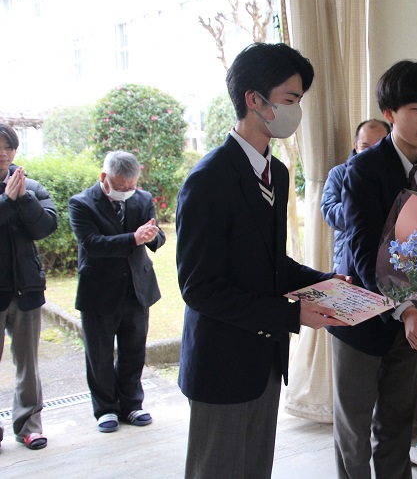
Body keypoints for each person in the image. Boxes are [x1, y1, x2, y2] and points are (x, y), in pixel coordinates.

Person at [175, 42, 347, 479]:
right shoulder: (208, 180)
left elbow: (271, 263)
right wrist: (291, 314)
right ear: (254, 100)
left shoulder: (278, 173)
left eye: (299, 100)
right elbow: (200, 289)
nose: (296, 111)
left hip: (265, 360)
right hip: (222, 363)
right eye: (290, 99)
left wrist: (328, 282)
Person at [329, 60, 417, 479]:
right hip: (360, 313)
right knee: (354, 428)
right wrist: (405, 306)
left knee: (397, 420)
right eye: (416, 109)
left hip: (413, 317)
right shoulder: (362, 170)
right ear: (390, 113)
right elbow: (362, 251)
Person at [68, 150, 165, 433]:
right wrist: (133, 238)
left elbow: (157, 236)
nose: (126, 192)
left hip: (136, 288)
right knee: (99, 354)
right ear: (104, 178)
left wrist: (152, 236)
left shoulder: (142, 199)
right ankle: (105, 408)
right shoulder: (81, 203)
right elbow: (93, 244)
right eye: (121, 187)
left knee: (134, 350)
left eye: (131, 186)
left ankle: (132, 404)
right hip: (98, 290)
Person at [0, 124, 57, 450]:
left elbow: (46, 226)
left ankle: (29, 426)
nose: (2, 154)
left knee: (28, 365)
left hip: (26, 289)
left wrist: (23, 199)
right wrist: (7, 201)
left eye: (8, 147)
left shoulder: (30, 187)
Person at [321, 119, 391, 270]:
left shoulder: (394, 174)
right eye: (365, 147)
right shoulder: (338, 173)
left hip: (388, 258)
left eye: (378, 147)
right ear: (355, 146)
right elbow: (329, 211)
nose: (371, 153)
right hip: (347, 258)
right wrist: (360, 208)